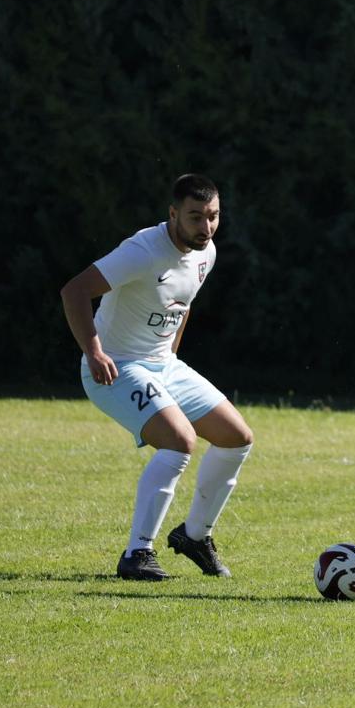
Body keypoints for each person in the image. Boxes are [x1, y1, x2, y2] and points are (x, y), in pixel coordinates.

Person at [61, 173, 253, 581]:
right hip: (116, 367)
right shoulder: (142, 250)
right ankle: (137, 554)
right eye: (196, 217)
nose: (206, 227)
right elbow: (74, 291)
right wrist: (94, 352)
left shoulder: (207, 252)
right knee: (179, 441)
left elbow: (183, 304)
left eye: (214, 216)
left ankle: (195, 536)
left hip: (163, 365)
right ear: (173, 213)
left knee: (237, 438)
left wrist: (170, 359)